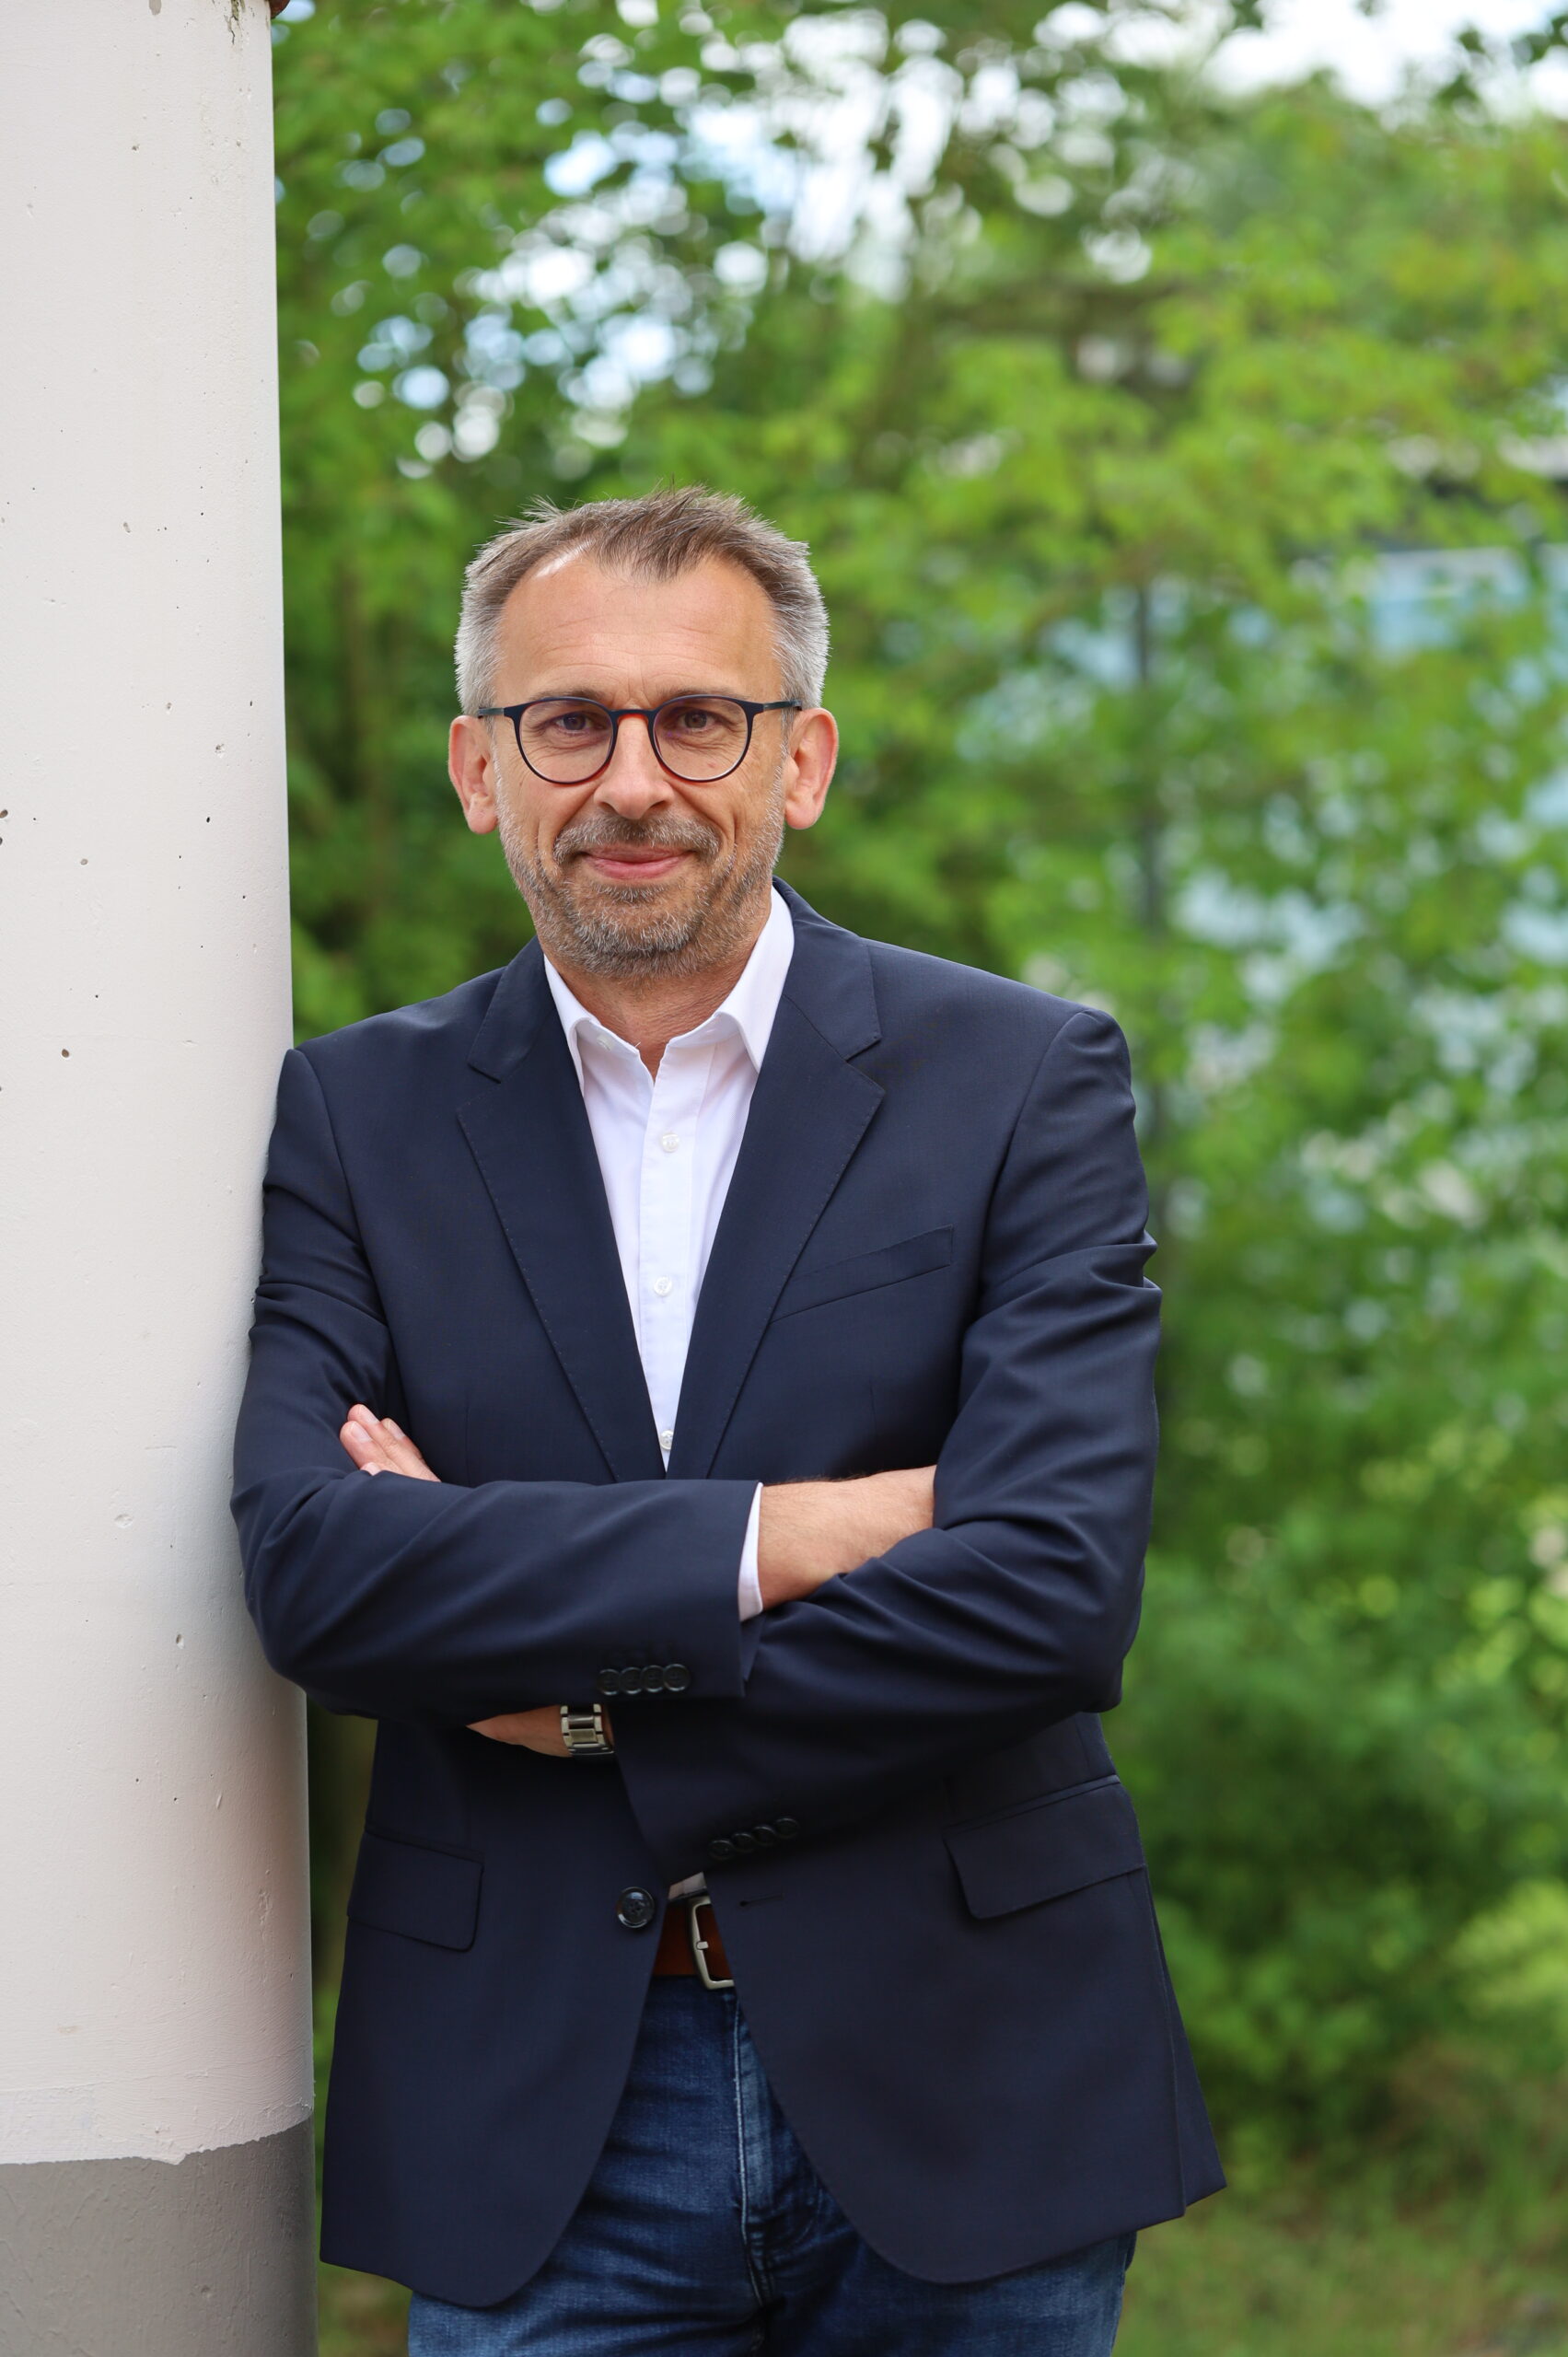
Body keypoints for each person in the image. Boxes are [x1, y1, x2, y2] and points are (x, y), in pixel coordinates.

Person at [233, 484, 1222, 2355]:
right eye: (568, 720)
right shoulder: (356, 1117)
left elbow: (1054, 1591)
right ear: (477, 767)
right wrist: (782, 1533)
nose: (633, 778)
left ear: (803, 759)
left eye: (700, 717)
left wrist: (587, 1689)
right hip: (540, 2108)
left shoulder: (1020, 1080)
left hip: (970, 2076)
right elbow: (320, 1573)